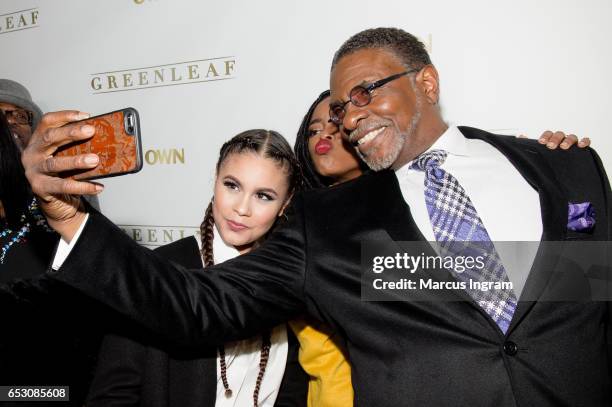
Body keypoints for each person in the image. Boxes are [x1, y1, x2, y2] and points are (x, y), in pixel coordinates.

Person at [20, 27, 611, 407]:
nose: (348, 118)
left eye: (364, 94)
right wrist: (70, 218)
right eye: (335, 107)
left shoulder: (568, 167)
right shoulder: (329, 227)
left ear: (425, 83)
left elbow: (577, 302)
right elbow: (196, 306)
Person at [87, 129, 308, 407]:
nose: (241, 208)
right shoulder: (158, 269)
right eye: (232, 185)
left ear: (284, 204)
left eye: (263, 196)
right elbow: (112, 395)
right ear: (215, 179)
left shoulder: (292, 277)